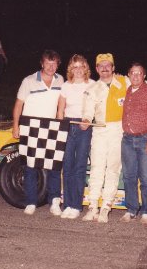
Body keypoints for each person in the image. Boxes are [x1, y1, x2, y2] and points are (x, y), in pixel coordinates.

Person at [12, 50, 64, 216]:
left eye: (54, 63)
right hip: (31, 127)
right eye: (48, 63)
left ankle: (54, 201)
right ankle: (31, 202)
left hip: (52, 127)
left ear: (58, 64)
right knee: (30, 166)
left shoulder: (61, 80)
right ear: (42, 63)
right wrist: (15, 125)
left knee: (54, 166)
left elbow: (62, 104)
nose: (51, 67)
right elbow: (19, 104)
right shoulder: (28, 80)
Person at [80, 53, 129, 223]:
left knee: (113, 169)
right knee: (97, 167)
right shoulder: (92, 89)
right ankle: (92, 206)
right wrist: (86, 121)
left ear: (113, 67)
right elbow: (87, 113)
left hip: (118, 130)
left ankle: (106, 207)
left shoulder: (124, 82)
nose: (105, 68)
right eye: (101, 66)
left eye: (108, 65)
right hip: (99, 129)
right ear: (97, 69)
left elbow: (144, 86)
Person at [120, 62, 147, 224]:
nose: (135, 76)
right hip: (128, 139)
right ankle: (131, 209)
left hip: (145, 139)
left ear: (144, 76)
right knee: (129, 176)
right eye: (133, 73)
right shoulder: (128, 90)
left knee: (146, 177)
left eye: (139, 73)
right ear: (128, 75)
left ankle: (145, 210)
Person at [57, 54, 95, 219]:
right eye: (75, 67)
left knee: (80, 165)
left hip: (84, 126)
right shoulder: (66, 85)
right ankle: (67, 204)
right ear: (70, 69)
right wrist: (60, 128)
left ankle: (76, 206)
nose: (78, 70)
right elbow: (60, 109)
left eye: (81, 66)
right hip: (67, 125)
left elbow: (98, 106)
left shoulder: (93, 84)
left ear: (85, 68)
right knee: (67, 165)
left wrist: (88, 120)